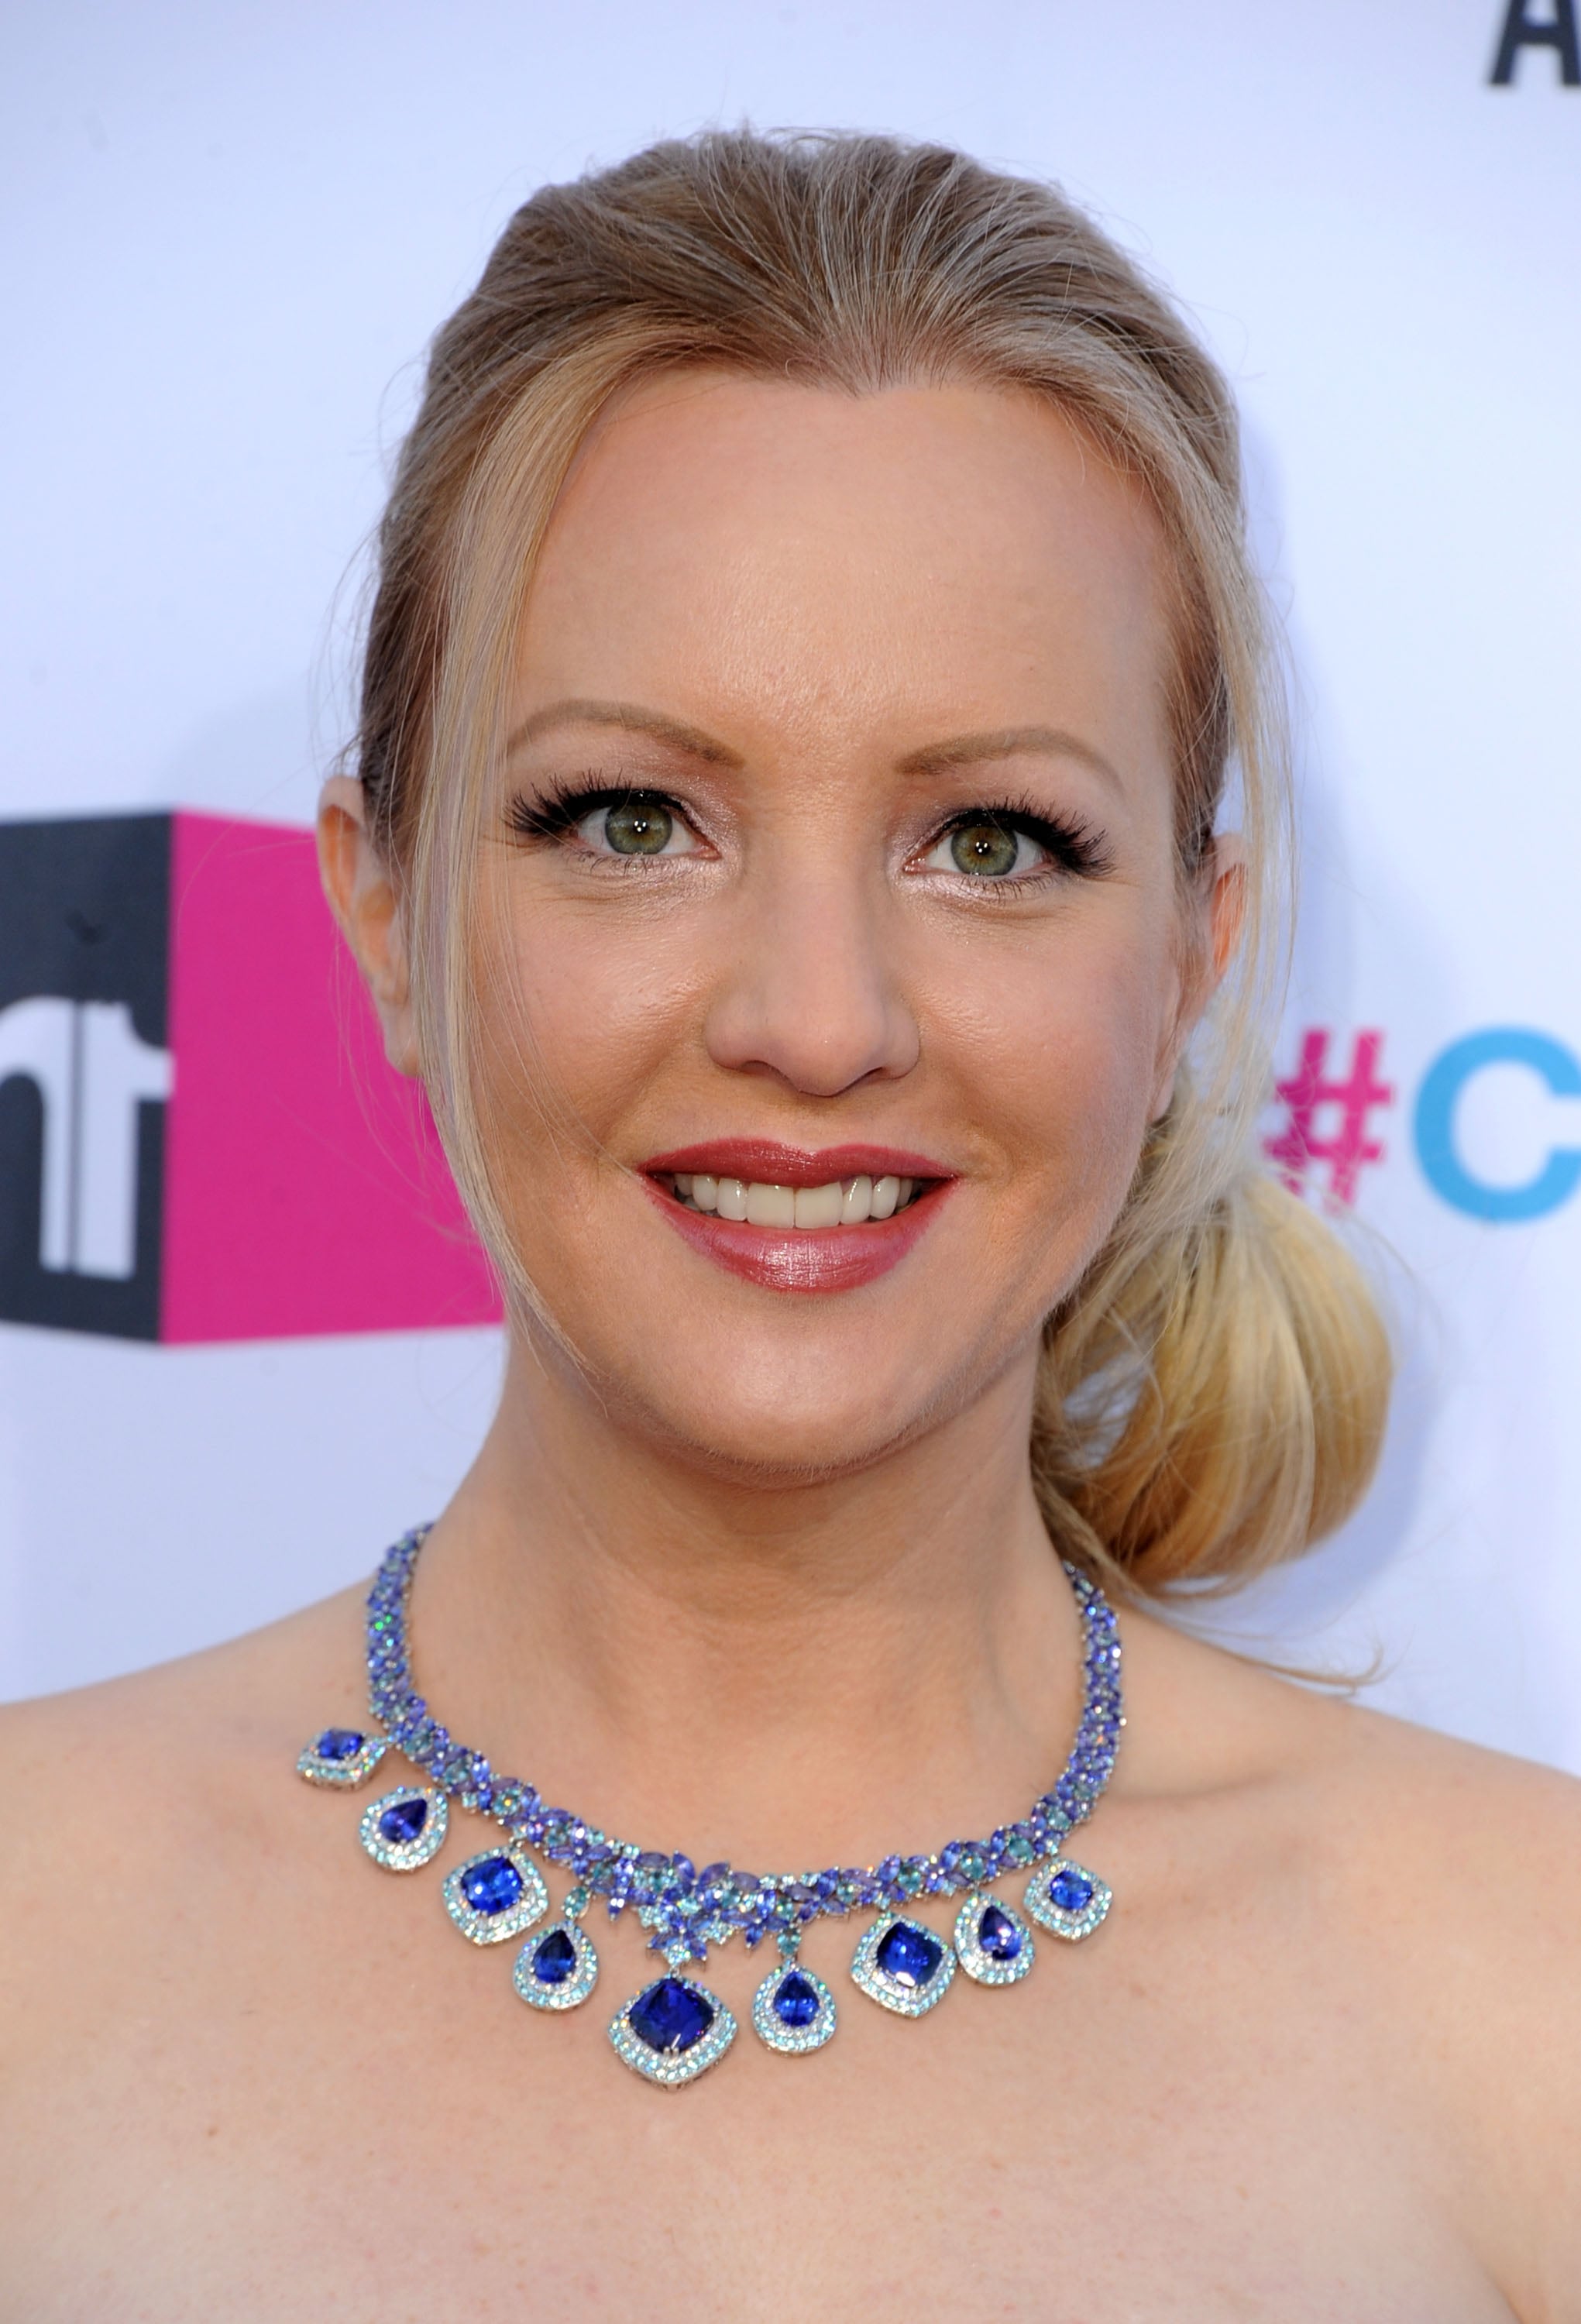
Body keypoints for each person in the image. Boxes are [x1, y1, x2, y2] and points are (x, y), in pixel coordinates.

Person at [2, 129, 1576, 2318]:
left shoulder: (1534, 2000)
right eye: (628, 819)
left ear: (1195, 958)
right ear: (380, 907)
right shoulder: (26, 1947)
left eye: (998, 842)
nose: (815, 1022)